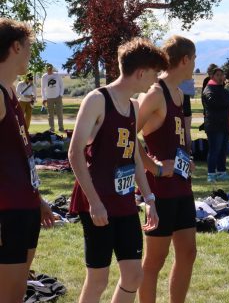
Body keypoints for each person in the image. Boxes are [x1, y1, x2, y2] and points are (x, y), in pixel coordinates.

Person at [68, 38, 167, 303]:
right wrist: (95, 202)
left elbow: (134, 155)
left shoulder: (134, 107)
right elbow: (74, 153)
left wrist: (149, 199)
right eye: (155, 74)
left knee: (134, 275)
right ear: (141, 72)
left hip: (123, 201)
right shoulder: (97, 100)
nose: (154, 82)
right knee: (98, 279)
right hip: (97, 200)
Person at [137, 36, 197, 303]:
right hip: (160, 190)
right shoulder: (155, 93)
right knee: (154, 260)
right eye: (194, 59)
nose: (195, 65)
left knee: (188, 253)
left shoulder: (179, 93)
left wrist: (187, 157)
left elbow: (177, 138)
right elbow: (126, 135)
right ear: (184, 60)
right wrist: (155, 167)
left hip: (182, 186)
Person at [0, 18, 54, 301]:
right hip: (7, 211)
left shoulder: (11, 90)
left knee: (17, 292)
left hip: (24, 206)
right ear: (16, 46)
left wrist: (39, 200)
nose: (31, 55)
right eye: (29, 48)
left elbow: (20, 156)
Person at [202, 66, 229, 182]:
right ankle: (211, 173)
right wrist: (228, 101)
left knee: (223, 150)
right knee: (214, 150)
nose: (220, 77)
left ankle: (221, 171)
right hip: (214, 126)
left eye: (222, 74)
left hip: (225, 124)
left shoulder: (223, 90)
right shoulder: (208, 89)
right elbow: (213, 103)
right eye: (218, 75)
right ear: (212, 76)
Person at [41, 63, 65, 133]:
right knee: (50, 115)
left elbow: (62, 85)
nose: (49, 70)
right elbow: (42, 88)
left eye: (50, 68)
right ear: (46, 69)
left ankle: (61, 128)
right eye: (48, 69)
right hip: (49, 98)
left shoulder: (57, 75)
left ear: (52, 68)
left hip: (58, 97)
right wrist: (44, 98)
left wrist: (60, 95)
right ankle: (52, 129)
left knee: (59, 113)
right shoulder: (44, 77)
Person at [179, 77, 195, 152]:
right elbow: (192, 93)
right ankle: (187, 154)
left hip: (180, 99)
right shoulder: (188, 76)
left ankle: (186, 153)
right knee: (186, 132)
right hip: (186, 99)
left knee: (182, 132)